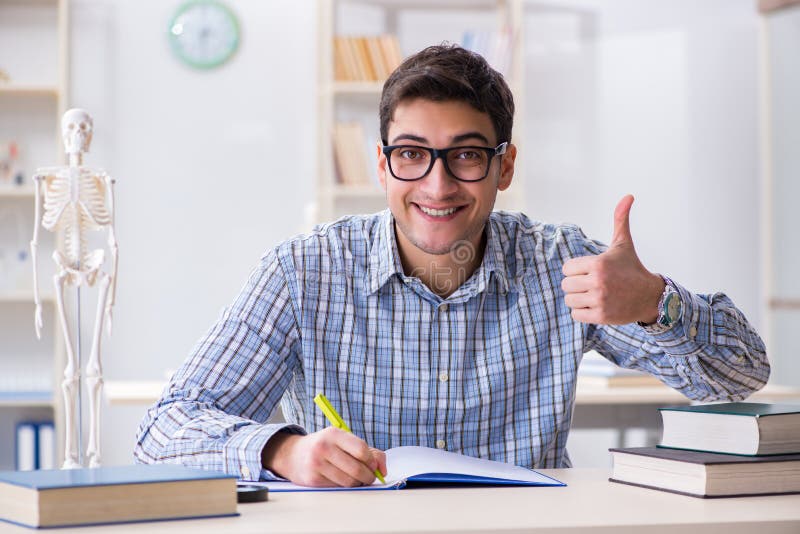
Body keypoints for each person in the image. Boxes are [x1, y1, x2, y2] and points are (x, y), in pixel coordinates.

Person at [134, 44, 769, 487]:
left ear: (504, 166)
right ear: (382, 165)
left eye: (466, 155)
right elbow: (163, 430)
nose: (437, 186)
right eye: (412, 154)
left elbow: (740, 377)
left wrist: (657, 303)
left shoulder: (561, 262)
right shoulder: (304, 272)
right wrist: (283, 449)